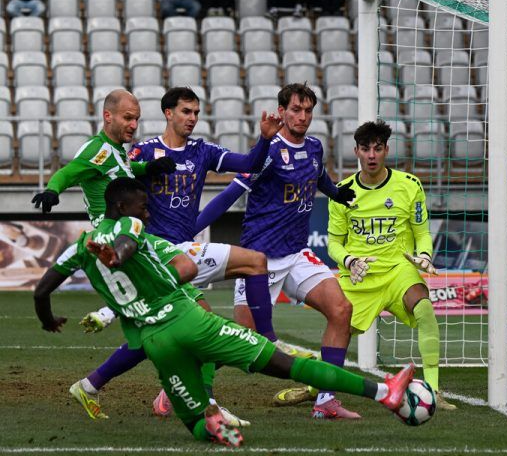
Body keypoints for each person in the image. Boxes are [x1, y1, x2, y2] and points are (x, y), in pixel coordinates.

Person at [33, 177, 417, 447]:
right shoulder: (131, 226)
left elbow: (42, 289)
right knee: (283, 363)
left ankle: (217, 427)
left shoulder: (79, 247)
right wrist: (119, 254)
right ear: (121, 207)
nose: (147, 214)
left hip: (154, 344)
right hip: (188, 321)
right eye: (144, 207)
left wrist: (49, 318)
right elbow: (130, 242)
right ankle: (385, 392)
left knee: (195, 422)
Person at [72, 86, 286, 424]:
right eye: (186, 111)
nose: (193, 118)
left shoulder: (202, 151)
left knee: (168, 333)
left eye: (197, 112)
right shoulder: (142, 152)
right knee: (240, 280)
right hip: (156, 255)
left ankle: (93, 384)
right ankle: (249, 359)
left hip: (183, 253)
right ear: (168, 113)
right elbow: (114, 192)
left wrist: (264, 139)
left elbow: (249, 163)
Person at [194, 83, 362, 420]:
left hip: (297, 254)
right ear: (281, 111)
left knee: (342, 309)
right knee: (242, 344)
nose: (302, 116)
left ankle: (325, 400)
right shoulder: (268, 151)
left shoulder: (314, 146)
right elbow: (230, 195)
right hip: (258, 261)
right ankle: (188, 389)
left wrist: (338, 194)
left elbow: (321, 180)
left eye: (308, 110)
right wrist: (193, 227)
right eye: (296, 110)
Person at [327, 120, 456, 410]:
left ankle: (433, 391)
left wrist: (424, 256)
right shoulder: (342, 192)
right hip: (360, 275)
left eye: (377, 148)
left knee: (424, 308)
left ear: (387, 150)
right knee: (337, 330)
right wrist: (349, 260)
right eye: (365, 149)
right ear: (356, 152)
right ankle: (317, 388)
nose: (371, 155)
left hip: (399, 269)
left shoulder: (409, 186)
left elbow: (422, 233)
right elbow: (334, 242)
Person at [31, 89, 176, 226]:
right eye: (128, 118)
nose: (134, 125)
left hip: (126, 228)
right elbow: (66, 173)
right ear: (108, 116)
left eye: (136, 119)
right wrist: (52, 191)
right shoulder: (97, 149)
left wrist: (149, 167)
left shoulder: (114, 148)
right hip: (113, 232)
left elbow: (122, 168)